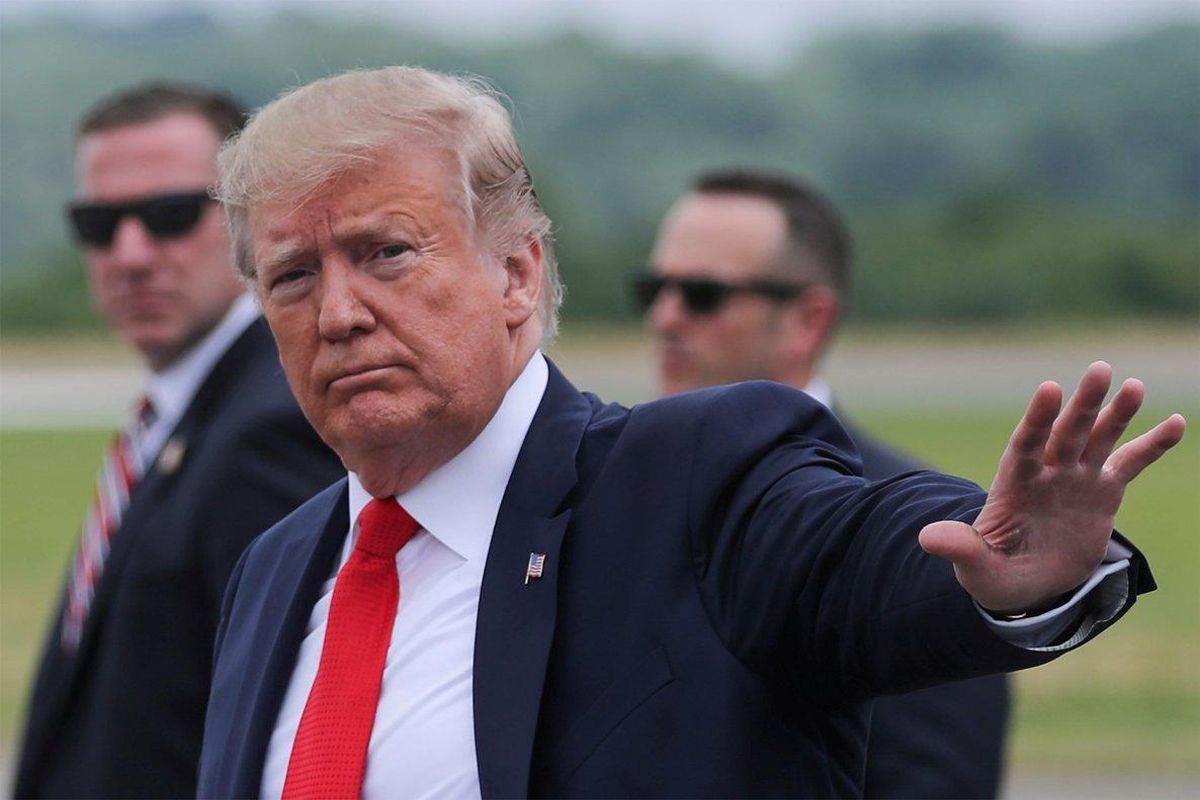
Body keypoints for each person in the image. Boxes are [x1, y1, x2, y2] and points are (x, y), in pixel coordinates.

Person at [195, 67, 1185, 800]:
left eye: (387, 253)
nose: (339, 313)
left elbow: (860, 546)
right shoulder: (277, 568)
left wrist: (1013, 568)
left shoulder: (690, 479)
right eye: (293, 275)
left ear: (517, 274)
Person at [14, 83, 344, 800]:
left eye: (169, 215)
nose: (130, 254)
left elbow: (283, 728)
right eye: (100, 224)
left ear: (253, 218)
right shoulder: (184, 414)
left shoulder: (273, 423)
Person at [638, 169, 1010, 798]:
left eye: (702, 294)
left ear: (808, 320)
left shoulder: (919, 527)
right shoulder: (608, 485)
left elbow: (935, 779)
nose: (664, 316)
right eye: (655, 287)